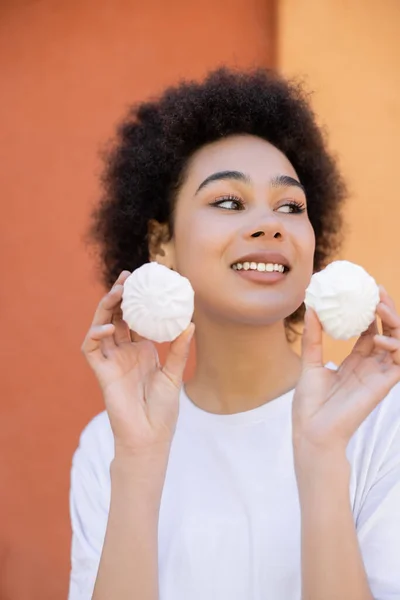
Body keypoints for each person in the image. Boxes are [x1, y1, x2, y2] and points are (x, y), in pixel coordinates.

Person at [68, 67, 400, 600]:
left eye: (291, 207)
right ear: (161, 244)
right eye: (229, 202)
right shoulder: (109, 444)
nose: (271, 225)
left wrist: (320, 456)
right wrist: (138, 462)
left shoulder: (383, 421)